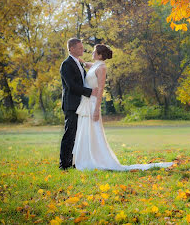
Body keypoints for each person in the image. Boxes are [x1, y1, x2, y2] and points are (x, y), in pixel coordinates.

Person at [72, 44, 173, 171]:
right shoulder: (96, 65)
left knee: (93, 131)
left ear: (100, 55)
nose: (92, 53)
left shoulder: (102, 67)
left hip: (93, 104)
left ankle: (97, 160)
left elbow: (101, 89)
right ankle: (85, 158)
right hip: (86, 102)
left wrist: (97, 109)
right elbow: (89, 66)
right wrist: (80, 61)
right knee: (86, 131)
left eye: (94, 51)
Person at [60, 38, 98, 170]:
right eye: (80, 48)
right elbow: (71, 86)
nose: (82, 50)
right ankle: (64, 164)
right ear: (71, 49)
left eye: (82, 47)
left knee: (78, 134)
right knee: (70, 134)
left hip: (81, 104)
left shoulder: (78, 63)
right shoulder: (66, 64)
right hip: (71, 104)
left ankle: (76, 161)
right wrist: (91, 92)